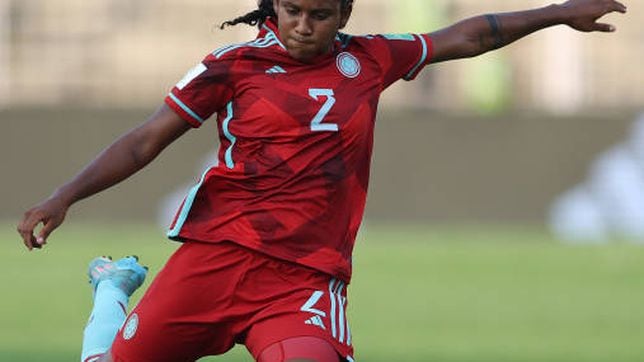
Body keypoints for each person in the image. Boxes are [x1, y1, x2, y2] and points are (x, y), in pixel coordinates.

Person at [17, 0, 627, 361]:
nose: (304, 25)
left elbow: (466, 37)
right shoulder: (231, 67)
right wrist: (64, 195)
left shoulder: (370, 59)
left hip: (303, 278)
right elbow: (146, 140)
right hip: (217, 258)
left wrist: (555, 13)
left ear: (345, 13)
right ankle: (111, 290)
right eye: (292, 10)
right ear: (271, 6)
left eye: (320, 13)